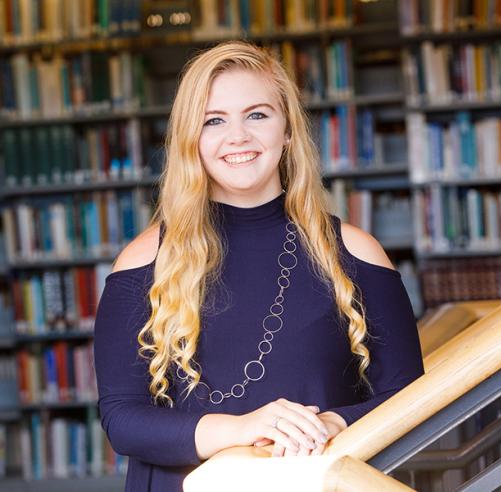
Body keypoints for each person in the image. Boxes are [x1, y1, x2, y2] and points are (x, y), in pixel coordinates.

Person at [93, 40, 424, 492]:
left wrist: (331, 422)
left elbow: (410, 399)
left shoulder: (355, 252)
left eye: (257, 114)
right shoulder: (143, 261)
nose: (238, 137)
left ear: (287, 129)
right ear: (191, 139)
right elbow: (122, 418)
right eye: (214, 120)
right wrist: (245, 428)